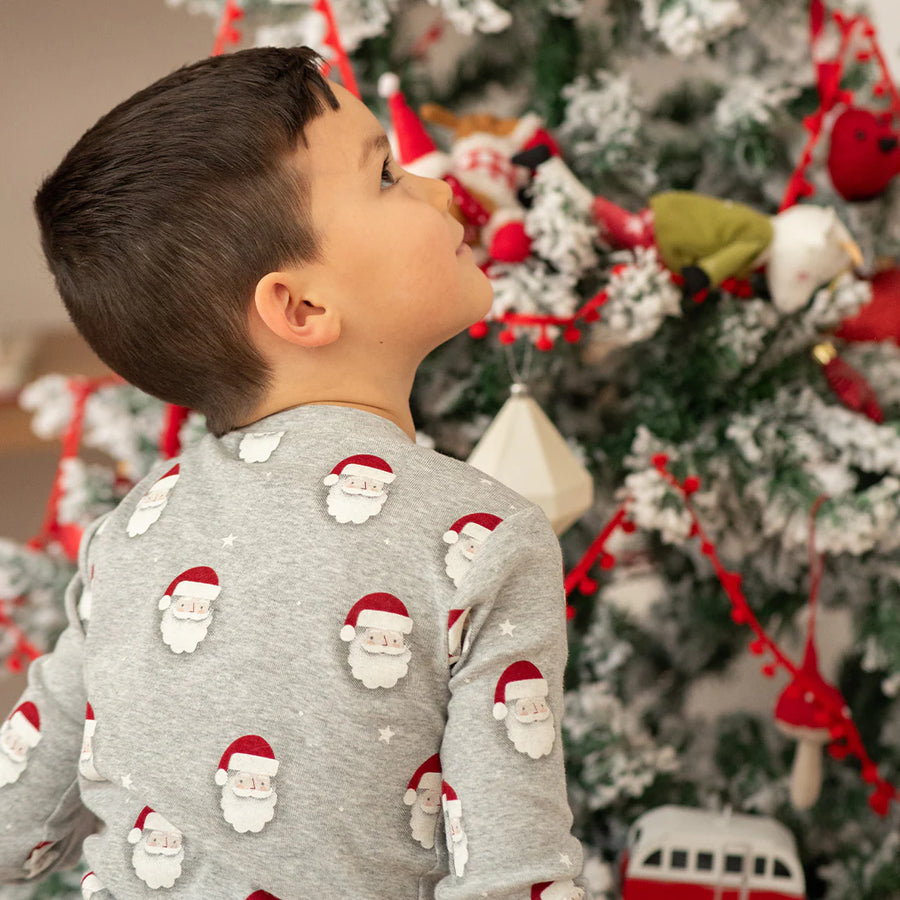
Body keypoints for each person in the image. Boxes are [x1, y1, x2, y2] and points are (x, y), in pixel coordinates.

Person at [0, 46, 587, 899]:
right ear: (303, 307)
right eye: (386, 174)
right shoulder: (483, 543)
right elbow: (515, 875)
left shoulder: (130, 534)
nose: (438, 184)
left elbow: (17, 817)